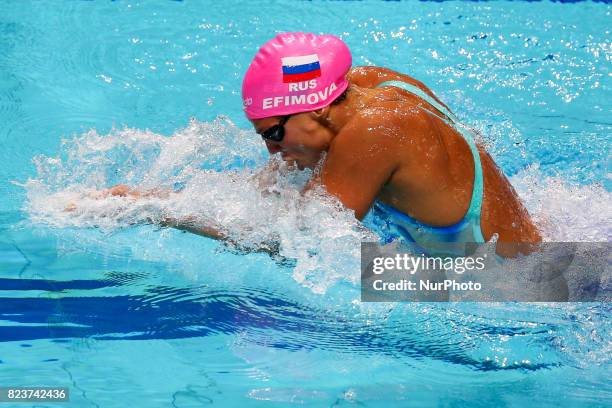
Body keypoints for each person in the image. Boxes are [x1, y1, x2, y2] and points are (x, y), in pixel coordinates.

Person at [106, 32, 541, 256]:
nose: (272, 152)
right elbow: (269, 192)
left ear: (315, 109)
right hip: (532, 253)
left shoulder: (374, 133)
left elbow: (296, 238)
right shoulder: (370, 85)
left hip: (502, 284)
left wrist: (161, 212)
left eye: (274, 134)